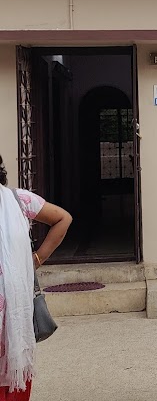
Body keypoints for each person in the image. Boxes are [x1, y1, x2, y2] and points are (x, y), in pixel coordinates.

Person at [0, 155, 72, 400]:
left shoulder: (18, 200)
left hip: (13, 317)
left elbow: (63, 218)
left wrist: (36, 259)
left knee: (14, 385)